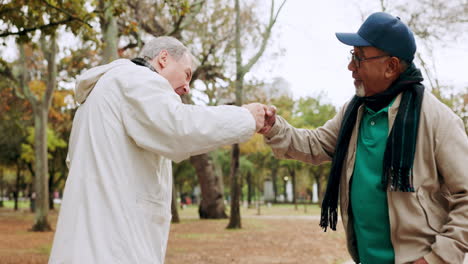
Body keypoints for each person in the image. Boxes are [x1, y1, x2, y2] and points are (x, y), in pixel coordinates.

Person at [260, 12, 468, 264]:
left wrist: (436, 259)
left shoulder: (437, 119)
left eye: (359, 58)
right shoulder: (354, 111)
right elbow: (314, 144)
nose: (351, 67)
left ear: (391, 66)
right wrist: (273, 127)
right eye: (352, 56)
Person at [49, 36, 270, 264]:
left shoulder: (103, 95)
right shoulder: (137, 79)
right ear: (163, 58)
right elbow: (179, 127)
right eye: (186, 74)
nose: (186, 87)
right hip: (112, 247)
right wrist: (245, 117)